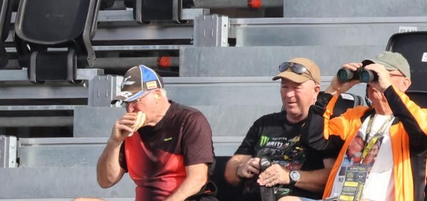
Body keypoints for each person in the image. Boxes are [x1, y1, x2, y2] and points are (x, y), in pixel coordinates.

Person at [75, 64, 216, 201]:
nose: (130, 110)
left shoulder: (188, 120)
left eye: (135, 101)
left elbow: (197, 179)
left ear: (157, 95)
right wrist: (114, 142)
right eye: (126, 103)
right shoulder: (130, 130)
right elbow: (105, 181)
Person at [312, 53, 427, 201]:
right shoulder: (355, 117)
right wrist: (333, 90)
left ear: (405, 83)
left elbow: (422, 129)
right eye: (372, 75)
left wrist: (388, 88)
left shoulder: (418, 120)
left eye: (384, 74)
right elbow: (315, 139)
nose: (375, 81)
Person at [222, 57, 338, 200]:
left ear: (315, 91)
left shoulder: (325, 127)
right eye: (284, 87)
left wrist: (289, 176)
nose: (289, 94)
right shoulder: (264, 123)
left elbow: (333, 177)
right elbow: (230, 170)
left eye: (296, 87)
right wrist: (241, 169)